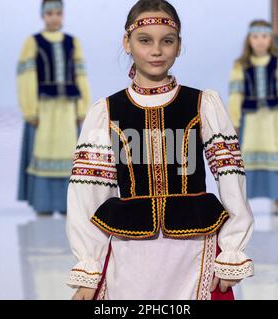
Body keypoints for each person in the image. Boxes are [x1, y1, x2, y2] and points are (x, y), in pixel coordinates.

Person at [66, 0, 254, 300]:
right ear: (126, 43)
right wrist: (89, 267)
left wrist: (232, 250)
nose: (156, 50)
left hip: (195, 248)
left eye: (167, 41)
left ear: (179, 46)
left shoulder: (203, 104)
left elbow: (231, 178)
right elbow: (88, 192)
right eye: (144, 40)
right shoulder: (107, 112)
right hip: (129, 253)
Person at [17, 0, 91, 216]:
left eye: (58, 13)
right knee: (44, 148)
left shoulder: (72, 42)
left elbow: (80, 75)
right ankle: (43, 203)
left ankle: (68, 203)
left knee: (67, 151)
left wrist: (82, 107)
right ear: (43, 16)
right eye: (50, 13)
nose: (54, 17)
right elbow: (26, 77)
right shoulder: (33, 42)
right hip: (45, 109)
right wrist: (30, 109)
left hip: (67, 109)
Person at [228, 20, 278, 217]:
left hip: (271, 120)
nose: (260, 41)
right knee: (246, 161)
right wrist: (235, 121)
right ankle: (241, 206)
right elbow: (235, 94)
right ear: (249, 39)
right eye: (255, 37)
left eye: (264, 36)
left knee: (276, 159)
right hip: (251, 122)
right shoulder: (241, 65)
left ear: (270, 39)